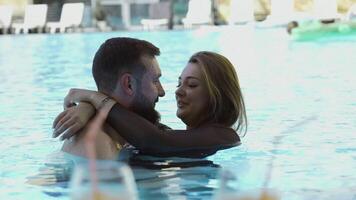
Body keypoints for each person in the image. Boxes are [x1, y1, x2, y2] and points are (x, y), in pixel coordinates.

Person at [54, 51, 247, 158]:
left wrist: (95, 98)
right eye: (179, 83)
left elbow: (154, 141)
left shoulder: (225, 136)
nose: (178, 91)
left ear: (217, 95)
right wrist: (88, 107)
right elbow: (137, 127)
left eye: (192, 85)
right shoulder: (173, 136)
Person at [53, 37, 168, 160]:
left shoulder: (122, 136)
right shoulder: (98, 143)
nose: (162, 92)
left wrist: (91, 103)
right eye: (155, 80)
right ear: (129, 84)